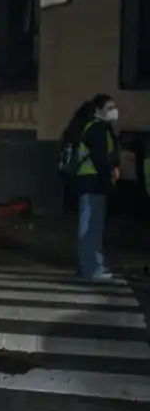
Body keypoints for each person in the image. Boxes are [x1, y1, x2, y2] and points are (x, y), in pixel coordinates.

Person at [69, 94, 120, 280]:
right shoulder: (98, 129)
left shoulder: (95, 127)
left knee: (90, 226)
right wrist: (109, 179)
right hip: (93, 182)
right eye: (110, 108)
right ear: (98, 110)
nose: (114, 111)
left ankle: (88, 266)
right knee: (91, 227)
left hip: (89, 181)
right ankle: (92, 268)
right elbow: (101, 159)